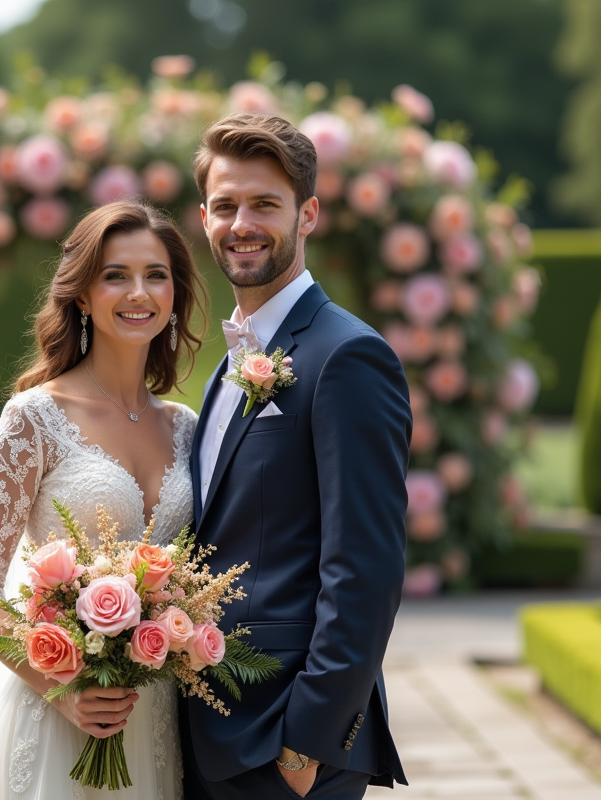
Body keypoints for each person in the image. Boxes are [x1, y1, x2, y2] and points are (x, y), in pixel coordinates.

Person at [0, 200, 206, 799]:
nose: (139, 292)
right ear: (83, 295)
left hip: (154, 716)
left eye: (156, 275)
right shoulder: (34, 418)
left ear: (175, 294)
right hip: (55, 715)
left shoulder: (187, 428)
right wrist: (62, 686)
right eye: (115, 275)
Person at [181, 113, 411, 799]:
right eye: (226, 206)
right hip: (209, 724)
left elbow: (366, 565)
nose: (242, 224)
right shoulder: (229, 364)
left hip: (286, 738)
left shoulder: (348, 356)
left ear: (307, 214)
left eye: (265, 204)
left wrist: (309, 739)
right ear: (204, 218)